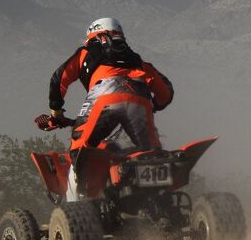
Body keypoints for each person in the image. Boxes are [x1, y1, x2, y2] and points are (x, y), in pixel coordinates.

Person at [48, 17, 174, 155]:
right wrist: (154, 106)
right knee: (151, 152)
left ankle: (80, 174)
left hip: (103, 95)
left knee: (80, 148)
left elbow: (58, 79)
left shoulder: (85, 53)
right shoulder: (138, 60)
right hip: (140, 96)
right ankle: (156, 168)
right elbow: (166, 93)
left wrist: (56, 111)